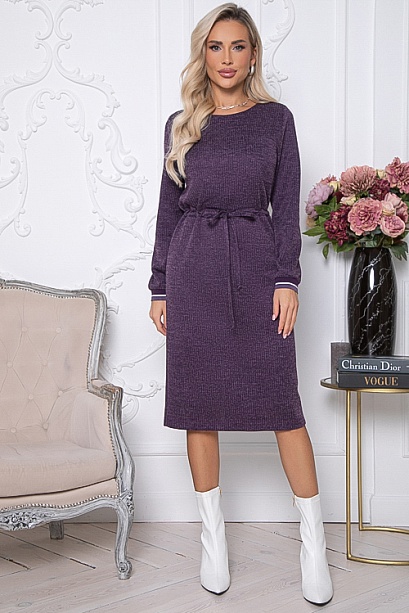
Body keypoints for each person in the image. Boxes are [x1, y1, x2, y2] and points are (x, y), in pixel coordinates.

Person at [149, 2, 333, 606]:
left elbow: (288, 201)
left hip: (257, 266)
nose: (226, 58)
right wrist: (160, 285)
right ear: (203, 55)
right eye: (215, 47)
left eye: (237, 46)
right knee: (198, 403)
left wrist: (287, 280)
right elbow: (167, 211)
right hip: (193, 268)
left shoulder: (276, 120)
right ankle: (213, 542)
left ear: (253, 55)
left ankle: (313, 546)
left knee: (283, 404)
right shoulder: (182, 123)